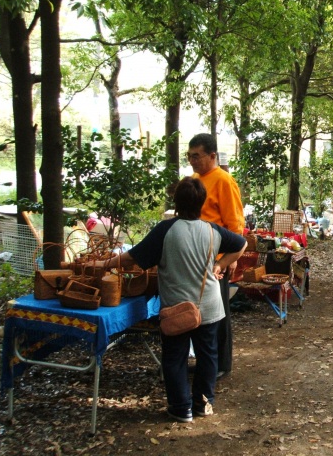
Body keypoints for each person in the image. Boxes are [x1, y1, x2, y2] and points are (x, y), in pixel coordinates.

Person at [95, 177, 247, 422]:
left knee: (175, 357)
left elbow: (131, 258)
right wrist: (220, 264)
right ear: (202, 203)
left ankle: (180, 408)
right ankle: (203, 404)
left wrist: (104, 264)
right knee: (208, 355)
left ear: (176, 203)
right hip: (209, 305)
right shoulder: (212, 230)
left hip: (176, 308)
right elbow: (241, 243)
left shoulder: (166, 230)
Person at [189, 133, 245, 379]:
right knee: (197, 312)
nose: (193, 161)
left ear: (212, 156)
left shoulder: (223, 181)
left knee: (218, 313)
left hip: (217, 258)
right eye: (190, 156)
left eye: (197, 156)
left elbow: (235, 224)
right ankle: (203, 358)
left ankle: (222, 363)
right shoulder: (193, 179)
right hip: (194, 256)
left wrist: (230, 259)